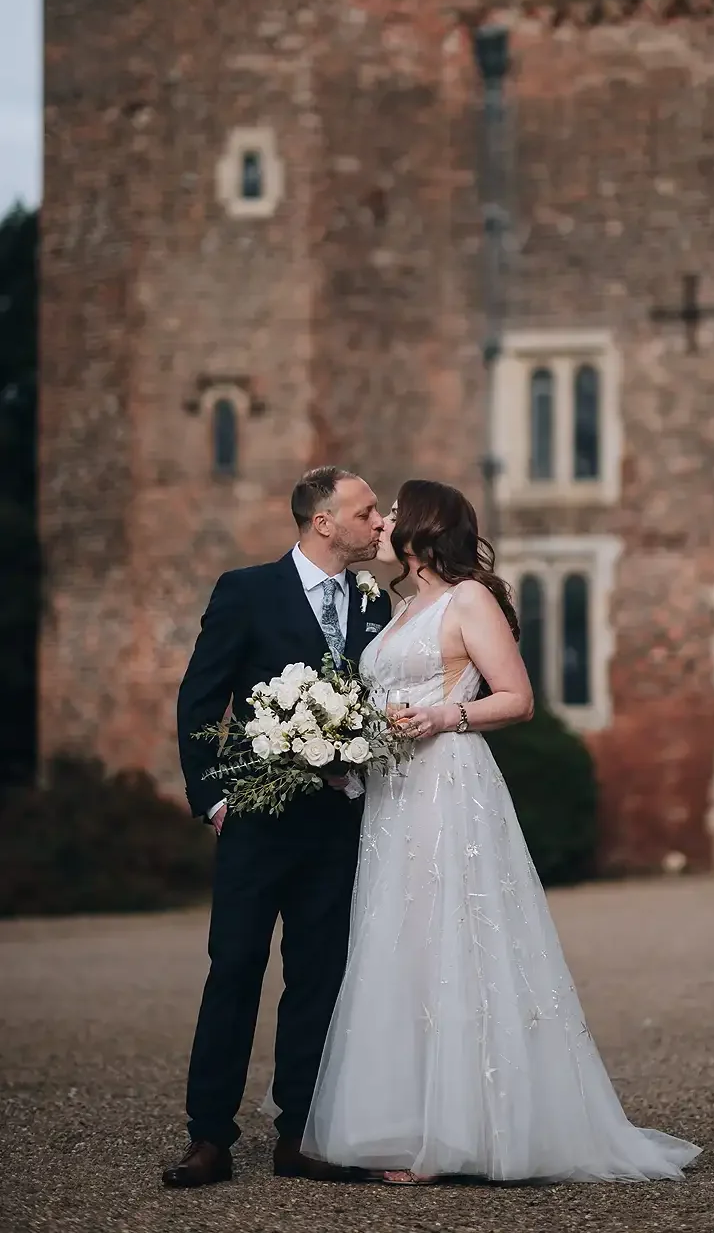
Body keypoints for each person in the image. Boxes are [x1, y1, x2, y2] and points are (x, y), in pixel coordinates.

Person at [300, 478, 702, 1183]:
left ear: (423, 530)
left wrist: (443, 717)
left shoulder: (468, 599)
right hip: (392, 795)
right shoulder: (397, 608)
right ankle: (407, 1119)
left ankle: (457, 1132)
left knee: (451, 938)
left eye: (395, 513)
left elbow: (516, 698)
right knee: (401, 944)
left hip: (446, 783)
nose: (384, 522)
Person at [163, 466, 393, 1189]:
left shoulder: (372, 601)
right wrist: (215, 799)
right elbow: (201, 699)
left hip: (336, 822)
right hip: (257, 822)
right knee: (233, 969)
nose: (377, 521)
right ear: (322, 521)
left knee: (318, 976)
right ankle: (209, 1137)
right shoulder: (246, 591)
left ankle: (300, 1133)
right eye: (365, 511)